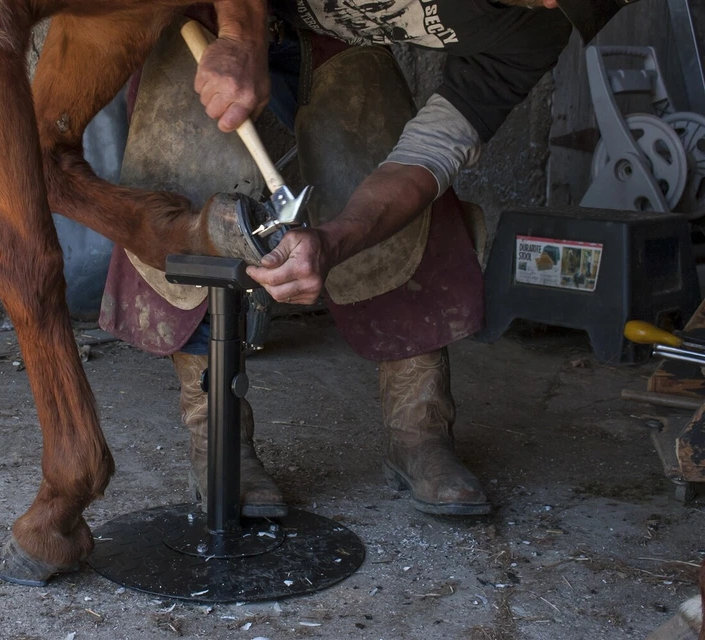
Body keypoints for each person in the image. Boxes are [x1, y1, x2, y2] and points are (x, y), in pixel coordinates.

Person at [100, 0, 636, 517]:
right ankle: (218, 443)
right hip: (210, 17)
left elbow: (427, 156)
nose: (548, 4)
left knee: (403, 206)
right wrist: (240, 35)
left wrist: (338, 239)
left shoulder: (538, 25)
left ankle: (419, 432)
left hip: (342, 40)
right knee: (185, 201)